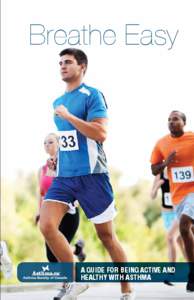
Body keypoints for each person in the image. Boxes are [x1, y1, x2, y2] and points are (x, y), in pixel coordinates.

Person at [39, 48, 135, 300]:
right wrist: (58, 158)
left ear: (82, 67)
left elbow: (100, 134)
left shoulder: (92, 95)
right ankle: (74, 281)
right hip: (65, 177)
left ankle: (127, 289)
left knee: (107, 236)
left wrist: (69, 116)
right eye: (59, 62)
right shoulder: (57, 102)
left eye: (68, 62)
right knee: (47, 225)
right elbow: (68, 139)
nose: (62, 66)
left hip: (93, 176)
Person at [150, 110, 194, 292]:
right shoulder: (161, 143)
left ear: (183, 122)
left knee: (184, 225)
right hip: (178, 196)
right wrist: (165, 163)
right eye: (169, 119)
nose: (171, 122)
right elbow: (154, 169)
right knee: (186, 233)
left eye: (175, 119)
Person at [36, 133, 86, 263]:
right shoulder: (41, 170)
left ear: (59, 144)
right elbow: (41, 193)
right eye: (45, 143)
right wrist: (39, 211)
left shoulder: (67, 165)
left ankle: (71, 280)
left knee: (58, 251)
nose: (47, 145)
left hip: (67, 212)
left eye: (51, 142)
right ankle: (77, 251)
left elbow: (78, 184)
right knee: (51, 256)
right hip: (49, 213)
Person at [151, 168, 186, 285]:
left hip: (179, 211)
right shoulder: (159, 174)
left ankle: (171, 274)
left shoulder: (178, 172)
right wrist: (157, 186)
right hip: (166, 214)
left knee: (171, 237)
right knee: (180, 241)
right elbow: (152, 195)